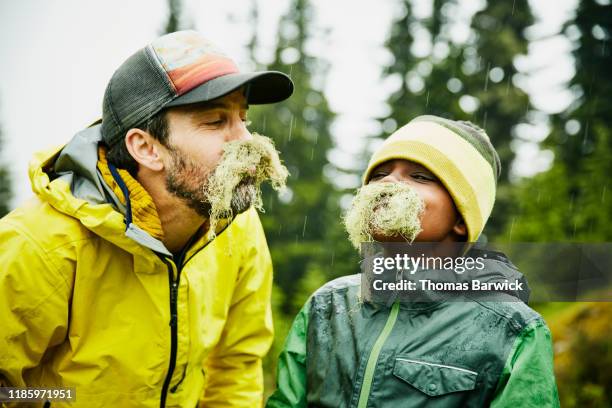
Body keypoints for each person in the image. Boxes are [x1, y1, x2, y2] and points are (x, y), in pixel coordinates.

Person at [0, 30, 293, 407]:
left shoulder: (238, 229)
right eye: (215, 122)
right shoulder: (39, 244)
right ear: (146, 148)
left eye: (243, 118)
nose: (246, 140)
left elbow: (235, 366)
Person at [267, 115, 560, 407]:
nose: (389, 183)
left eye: (419, 176)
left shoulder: (514, 331)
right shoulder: (327, 305)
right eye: (379, 174)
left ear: (461, 218)